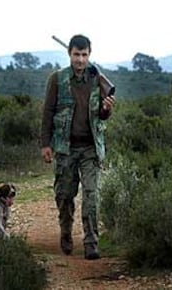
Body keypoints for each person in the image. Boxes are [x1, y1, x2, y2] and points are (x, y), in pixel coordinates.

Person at [40, 34, 115, 259]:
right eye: (76, 54)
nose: (80, 60)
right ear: (69, 54)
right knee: (64, 195)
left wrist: (107, 108)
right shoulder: (57, 79)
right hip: (65, 147)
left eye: (84, 55)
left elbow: (102, 115)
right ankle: (65, 232)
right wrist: (45, 144)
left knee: (91, 196)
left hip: (91, 147)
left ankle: (91, 242)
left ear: (89, 55)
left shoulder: (96, 78)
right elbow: (48, 112)